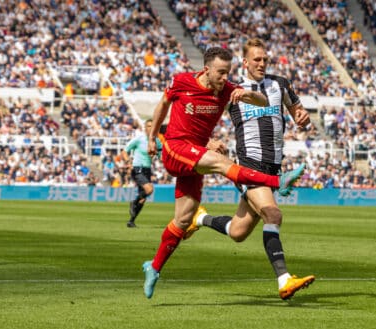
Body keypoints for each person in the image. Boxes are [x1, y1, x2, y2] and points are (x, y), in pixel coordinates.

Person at [141, 47, 305, 299]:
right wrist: (152, 139)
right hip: (175, 149)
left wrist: (246, 93)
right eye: (220, 72)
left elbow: (263, 102)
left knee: (183, 219)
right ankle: (277, 181)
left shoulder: (228, 89)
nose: (224, 78)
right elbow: (163, 105)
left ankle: (154, 267)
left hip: (194, 154)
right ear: (206, 70)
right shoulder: (181, 81)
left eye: (228, 73)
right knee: (221, 162)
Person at [192, 38, 315, 300]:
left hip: (272, 168)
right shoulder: (232, 90)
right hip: (248, 165)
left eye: (264, 59)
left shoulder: (279, 84)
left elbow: (298, 113)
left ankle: (199, 218)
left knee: (238, 232)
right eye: (256, 59)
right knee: (273, 215)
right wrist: (207, 141)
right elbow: (200, 121)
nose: (261, 63)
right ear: (245, 62)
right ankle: (284, 279)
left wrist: (303, 117)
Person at [121, 119, 162, 228]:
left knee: (143, 198)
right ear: (144, 128)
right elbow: (125, 151)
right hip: (137, 168)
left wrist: (161, 156)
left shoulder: (156, 141)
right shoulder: (139, 139)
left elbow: (161, 156)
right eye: (148, 126)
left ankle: (131, 221)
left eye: (152, 126)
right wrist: (128, 162)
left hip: (147, 170)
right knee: (149, 189)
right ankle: (134, 202)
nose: (150, 128)